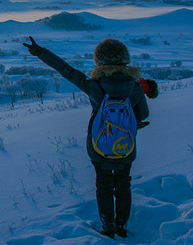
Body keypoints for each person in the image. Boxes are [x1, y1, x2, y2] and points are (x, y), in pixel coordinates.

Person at [23, 36, 149, 239]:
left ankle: (108, 227)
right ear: (125, 59)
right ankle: (122, 226)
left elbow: (66, 70)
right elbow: (143, 114)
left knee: (104, 184)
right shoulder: (133, 86)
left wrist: (40, 52)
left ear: (99, 60)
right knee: (123, 184)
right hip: (126, 146)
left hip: (98, 146)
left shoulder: (95, 86)